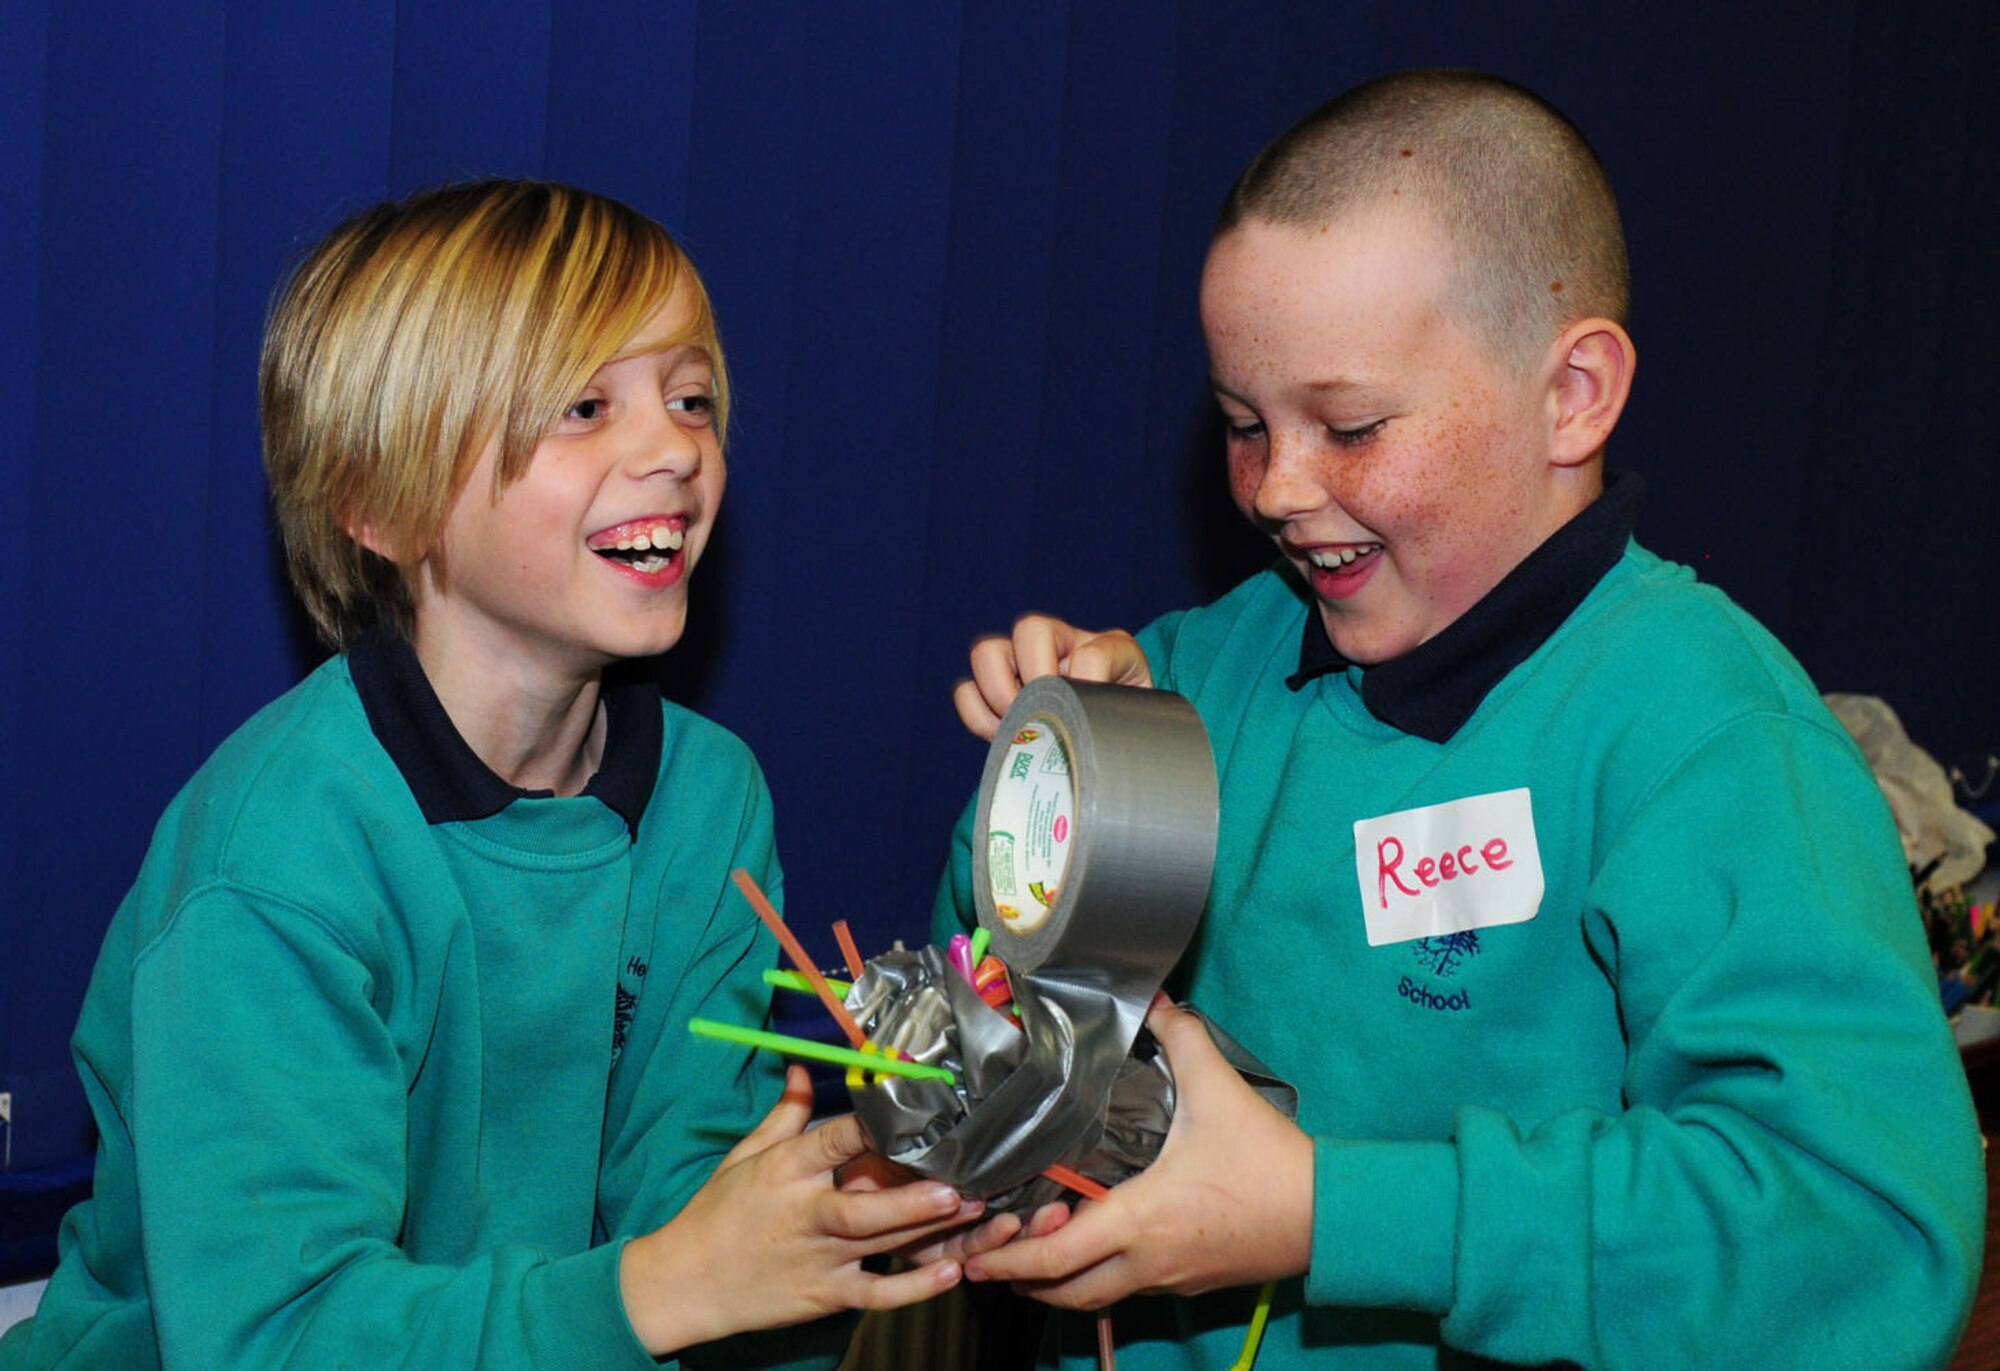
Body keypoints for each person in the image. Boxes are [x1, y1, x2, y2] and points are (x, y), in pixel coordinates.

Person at [938, 70, 1985, 1369]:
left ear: (1575, 394)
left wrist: (1331, 1213)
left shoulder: (1709, 743)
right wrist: (1076, 782)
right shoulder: (1200, 672)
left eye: (1352, 424)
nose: (1279, 487)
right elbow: (992, 991)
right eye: (1241, 425)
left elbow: (1862, 1243)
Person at [1, 180, 975, 1371]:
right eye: (581, 406)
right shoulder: (276, 866)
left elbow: (687, 1202)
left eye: (690, 397)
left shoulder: (709, 799)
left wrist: (826, 1224)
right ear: (379, 502)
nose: (673, 447)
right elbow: (275, 1336)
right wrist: (669, 1287)